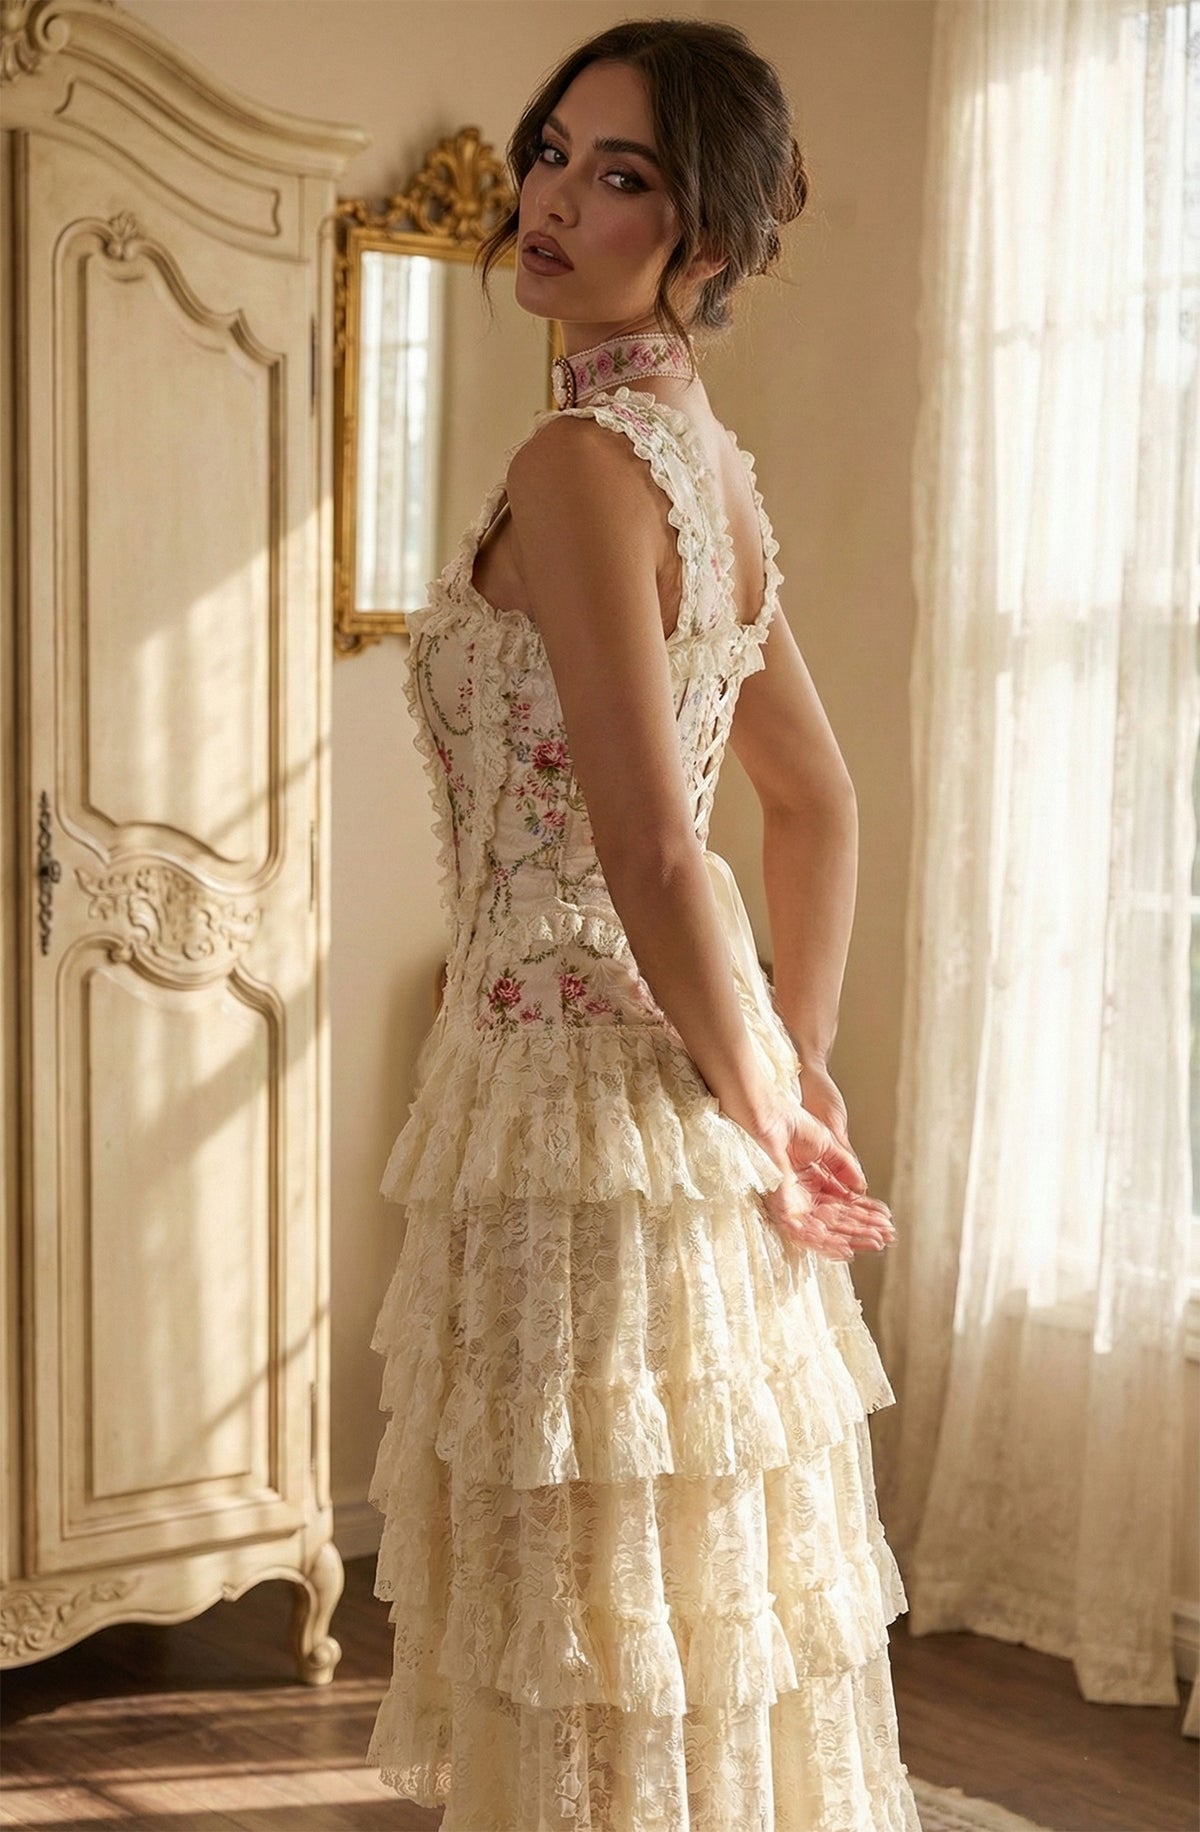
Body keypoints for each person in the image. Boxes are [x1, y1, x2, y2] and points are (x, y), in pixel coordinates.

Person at [366, 17, 921, 1830]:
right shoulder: (713, 471)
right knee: (664, 1613)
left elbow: (656, 847)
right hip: (672, 1100)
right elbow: (814, 806)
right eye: (553, 151)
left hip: (574, 1110)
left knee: (585, 1626)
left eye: (623, 178)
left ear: (707, 243)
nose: (551, 201)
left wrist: (772, 1107)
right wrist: (789, 1070)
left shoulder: (581, 461)